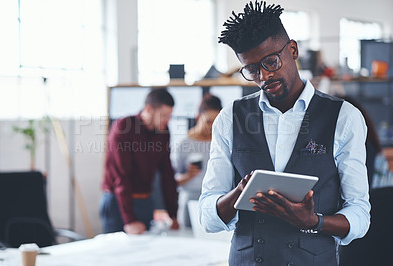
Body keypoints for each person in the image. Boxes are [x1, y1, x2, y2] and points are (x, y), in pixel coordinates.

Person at [198, 1, 370, 265]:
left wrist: (315, 222)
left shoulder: (343, 117)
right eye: (252, 70)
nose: (264, 76)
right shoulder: (230, 118)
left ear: (293, 50)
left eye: (271, 61)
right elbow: (207, 214)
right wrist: (239, 193)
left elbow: (359, 213)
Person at [100, 88, 179, 235]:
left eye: (169, 116)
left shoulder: (163, 133)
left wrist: (172, 214)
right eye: (164, 116)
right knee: (115, 254)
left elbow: (167, 174)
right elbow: (120, 176)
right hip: (117, 202)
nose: (167, 121)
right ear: (148, 109)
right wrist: (129, 220)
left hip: (144, 202)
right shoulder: (124, 127)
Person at [172, 93, 222, 227]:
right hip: (189, 200)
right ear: (198, 117)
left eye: (216, 122)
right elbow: (171, 181)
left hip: (215, 201)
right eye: (208, 122)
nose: (211, 127)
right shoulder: (183, 144)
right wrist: (188, 175)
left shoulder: (221, 143)